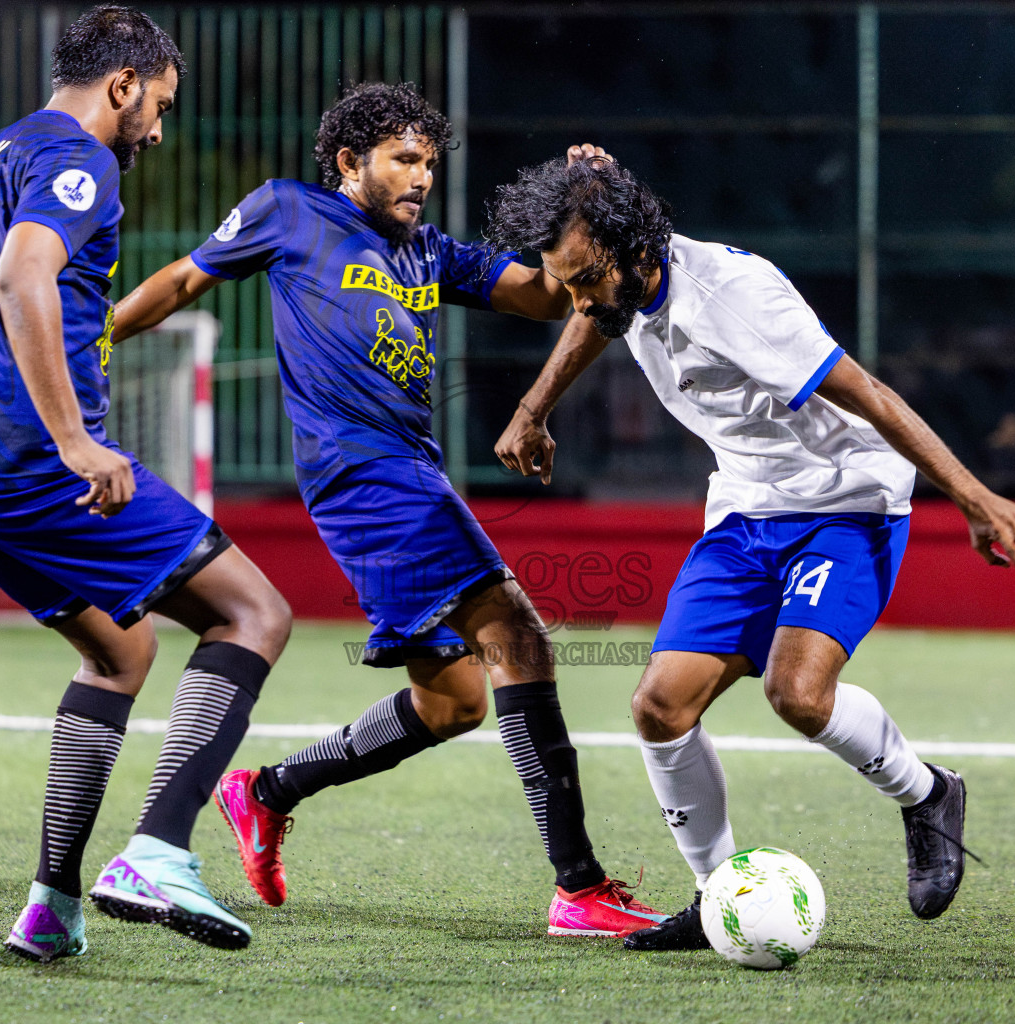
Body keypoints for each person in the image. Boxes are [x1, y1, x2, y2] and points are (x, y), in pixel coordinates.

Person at [113, 84, 662, 938]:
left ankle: (265, 792)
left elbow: (549, 297)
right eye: (405, 158)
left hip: (413, 475)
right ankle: (578, 887)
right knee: (520, 642)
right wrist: (95, 336)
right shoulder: (288, 213)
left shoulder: (428, 252)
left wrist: (586, 205)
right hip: (362, 476)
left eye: (430, 163)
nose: (421, 177)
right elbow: (186, 278)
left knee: (455, 703)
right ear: (348, 162)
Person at [486, 153, 1015, 950]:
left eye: (583, 279)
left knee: (799, 694)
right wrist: (535, 407)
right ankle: (718, 898)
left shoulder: (737, 301)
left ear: (636, 250)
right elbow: (596, 313)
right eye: (564, 281)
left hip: (845, 504)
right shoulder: (620, 279)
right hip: (747, 511)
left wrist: (975, 499)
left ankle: (927, 795)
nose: (573, 301)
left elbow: (875, 397)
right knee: (658, 706)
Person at [0, 5, 292, 964]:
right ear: (122, 85)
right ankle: (158, 851)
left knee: (118, 655)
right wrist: (74, 440)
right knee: (254, 613)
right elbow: (23, 272)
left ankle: (52, 905)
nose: (160, 130)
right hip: (27, 459)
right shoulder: (74, 158)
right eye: (159, 105)